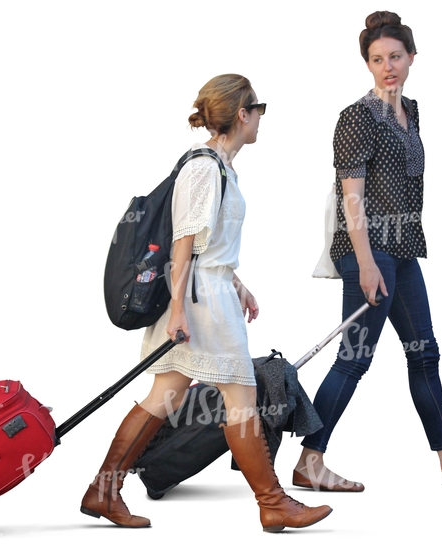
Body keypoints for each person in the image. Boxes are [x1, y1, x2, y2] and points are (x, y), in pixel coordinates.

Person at [80, 74, 332, 531]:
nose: (260, 120)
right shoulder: (203, 167)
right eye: (258, 110)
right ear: (242, 113)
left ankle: (103, 490)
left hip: (210, 292)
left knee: (165, 396)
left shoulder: (221, 167)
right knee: (241, 397)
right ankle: (272, 502)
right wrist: (177, 309)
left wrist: (236, 282)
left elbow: (205, 246)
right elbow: (182, 243)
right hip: (199, 304)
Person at [293, 11, 442, 492]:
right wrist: (367, 263)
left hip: (405, 248)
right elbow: (351, 194)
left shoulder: (412, 109)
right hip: (368, 251)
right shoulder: (356, 117)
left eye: (395, 56)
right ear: (367, 65)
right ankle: (310, 460)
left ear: (412, 58)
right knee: (354, 357)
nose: (387, 66)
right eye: (376, 59)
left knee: (424, 352)